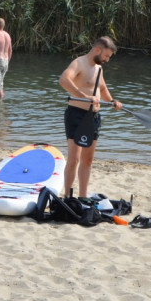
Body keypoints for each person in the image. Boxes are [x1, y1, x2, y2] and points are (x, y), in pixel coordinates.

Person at [58, 36, 122, 198]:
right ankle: (67, 195)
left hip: (93, 117)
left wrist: (112, 101)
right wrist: (84, 96)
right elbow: (63, 80)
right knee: (74, 159)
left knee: (88, 160)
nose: (107, 60)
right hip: (76, 115)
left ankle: (83, 196)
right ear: (98, 50)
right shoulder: (79, 63)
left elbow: (102, 88)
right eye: (106, 56)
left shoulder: (99, 69)